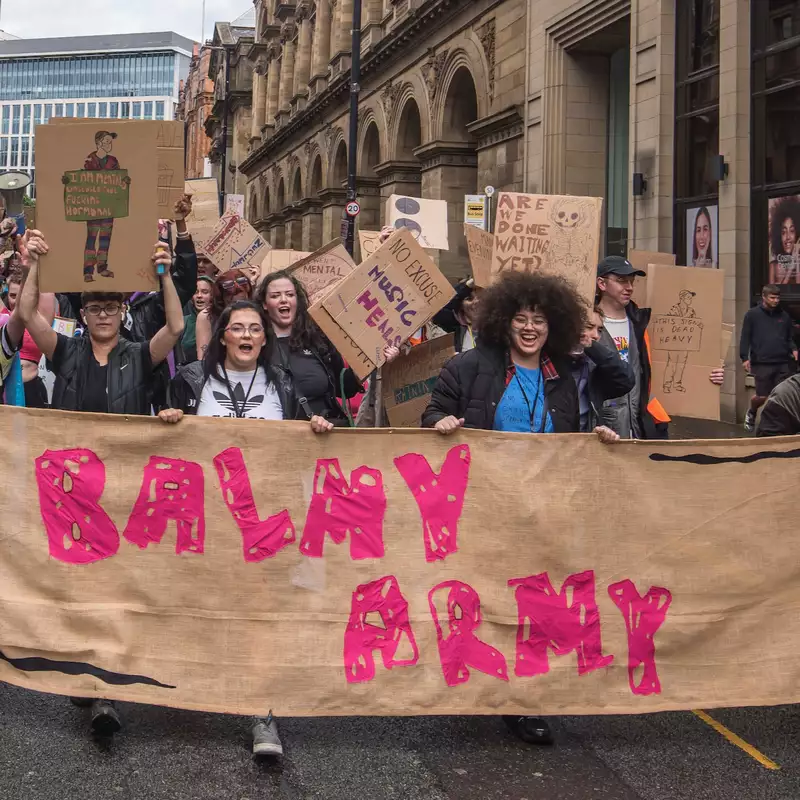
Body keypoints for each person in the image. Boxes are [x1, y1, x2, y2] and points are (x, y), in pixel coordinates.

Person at [421, 270, 619, 746]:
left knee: (533, 604)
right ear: (502, 322)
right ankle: (469, 677)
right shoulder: (470, 366)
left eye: (540, 321)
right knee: (483, 598)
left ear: (555, 327)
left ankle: (522, 701)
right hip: (483, 508)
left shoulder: (566, 373)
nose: (530, 328)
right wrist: (442, 421)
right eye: (520, 319)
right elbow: (431, 414)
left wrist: (596, 440)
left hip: (544, 511)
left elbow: (616, 382)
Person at [158, 299, 333, 757]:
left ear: (264, 337)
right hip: (208, 518)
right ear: (222, 337)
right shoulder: (192, 381)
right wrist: (170, 422)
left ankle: (263, 713)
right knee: (202, 604)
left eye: (255, 328)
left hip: (263, 522)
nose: (248, 335)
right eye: (237, 328)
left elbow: (301, 443)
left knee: (261, 614)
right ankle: (192, 688)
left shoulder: (282, 382)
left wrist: (313, 425)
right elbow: (162, 449)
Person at [18, 231, 184, 421]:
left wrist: (165, 275)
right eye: (94, 309)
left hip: (124, 449)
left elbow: (175, 327)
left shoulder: (140, 355)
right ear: (84, 315)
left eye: (111, 308)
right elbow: (27, 314)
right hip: (73, 449)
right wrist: (35, 266)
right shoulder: (65, 350)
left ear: (122, 312)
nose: (103, 315)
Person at [255, 270, 363, 424]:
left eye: (290, 295)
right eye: (275, 296)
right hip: (283, 436)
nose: (283, 300)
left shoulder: (317, 340)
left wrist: (364, 364)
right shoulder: (256, 346)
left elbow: (345, 388)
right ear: (265, 304)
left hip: (329, 435)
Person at [595, 255, 670, 439]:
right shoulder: (587, 325)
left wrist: (708, 377)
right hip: (600, 427)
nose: (629, 287)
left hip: (639, 425)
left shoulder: (639, 323)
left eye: (631, 281)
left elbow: (668, 363)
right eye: (621, 281)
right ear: (601, 284)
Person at [740, 284, 797, 432]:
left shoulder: (784, 316)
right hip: (762, 362)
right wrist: (744, 358)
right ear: (764, 297)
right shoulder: (752, 315)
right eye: (772, 297)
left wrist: (794, 349)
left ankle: (784, 426)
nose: (776, 300)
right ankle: (752, 411)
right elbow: (745, 337)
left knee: (783, 395)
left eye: (777, 297)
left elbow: (789, 337)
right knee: (763, 396)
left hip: (783, 362)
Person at [570, 305, 635, 432]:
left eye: (599, 330)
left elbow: (626, 379)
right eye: (589, 327)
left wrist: (593, 348)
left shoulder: (593, 367)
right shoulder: (552, 364)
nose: (595, 335)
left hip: (585, 439)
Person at [1, 267, 57, 407]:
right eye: (13, 296)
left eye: (21, 294)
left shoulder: (38, 321)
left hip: (30, 390)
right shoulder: (4, 319)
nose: (17, 301)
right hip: (4, 391)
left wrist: (34, 264)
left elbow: (48, 286)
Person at [194, 268, 253, 361]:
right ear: (221, 299)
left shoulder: (256, 315)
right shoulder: (207, 316)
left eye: (242, 301)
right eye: (232, 302)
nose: (238, 307)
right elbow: (203, 358)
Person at [663, 290, 700, 394]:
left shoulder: (691, 311)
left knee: (681, 364)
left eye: (691, 298)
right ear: (682, 298)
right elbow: (668, 323)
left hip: (685, 343)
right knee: (672, 364)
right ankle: (667, 385)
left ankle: (677, 384)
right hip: (674, 342)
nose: (690, 300)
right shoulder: (674, 309)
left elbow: (694, 325)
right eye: (688, 297)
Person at [433, 277, 480, 353]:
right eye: (469, 299)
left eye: (480, 297)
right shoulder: (457, 325)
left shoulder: (497, 328)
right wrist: (466, 287)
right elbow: (438, 311)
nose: (475, 302)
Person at [178, 275, 214, 364]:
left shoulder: (221, 321)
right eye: (195, 292)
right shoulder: (182, 322)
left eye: (205, 292)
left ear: (213, 296)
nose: (199, 296)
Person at [769, 195, 800, 285]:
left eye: (792, 231)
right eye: (783, 232)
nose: (787, 237)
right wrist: (790, 268)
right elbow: (773, 291)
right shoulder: (773, 266)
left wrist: (796, 261)